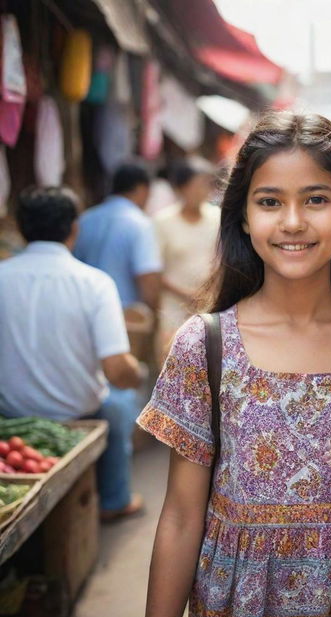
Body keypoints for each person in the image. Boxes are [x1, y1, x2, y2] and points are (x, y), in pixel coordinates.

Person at [138, 112, 331, 617]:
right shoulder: (204, 345)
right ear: (243, 217)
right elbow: (182, 516)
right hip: (239, 613)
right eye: (270, 201)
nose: (293, 221)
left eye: (317, 199)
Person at [0, 187, 145, 519]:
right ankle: (114, 500)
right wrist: (136, 372)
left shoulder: (1, 277)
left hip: (10, 417)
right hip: (78, 414)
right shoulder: (94, 283)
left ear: (21, 228)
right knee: (121, 403)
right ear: (74, 228)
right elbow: (116, 370)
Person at [73, 160, 162, 313]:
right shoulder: (140, 224)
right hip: (124, 317)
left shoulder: (85, 219)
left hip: (83, 312)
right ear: (142, 189)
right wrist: (153, 316)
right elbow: (148, 277)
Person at [154, 157, 221, 360]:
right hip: (174, 308)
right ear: (182, 188)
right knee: (172, 360)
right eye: (197, 184)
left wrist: (208, 291)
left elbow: (222, 260)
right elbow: (154, 270)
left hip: (210, 304)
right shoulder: (163, 222)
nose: (203, 190)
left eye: (206, 184)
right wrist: (187, 294)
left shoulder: (217, 217)